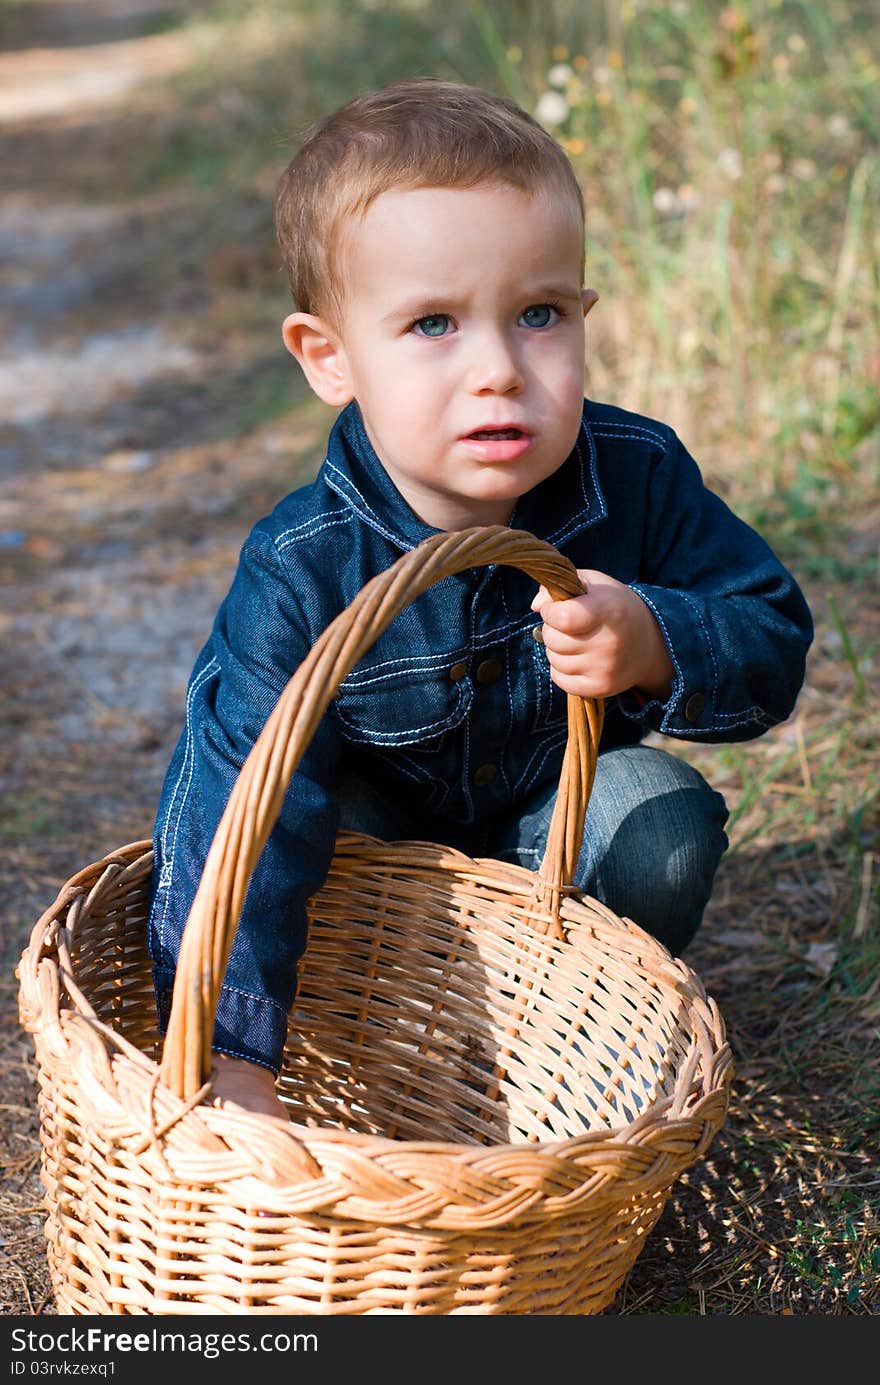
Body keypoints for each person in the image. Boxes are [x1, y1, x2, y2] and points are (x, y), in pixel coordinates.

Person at [147, 77, 813, 1125]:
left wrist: (651, 637)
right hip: (368, 863)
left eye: (538, 313)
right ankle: (358, 1045)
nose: (498, 369)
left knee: (660, 821)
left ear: (583, 313)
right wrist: (232, 1059)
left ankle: (563, 1034)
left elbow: (770, 632)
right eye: (432, 324)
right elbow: (245, 806)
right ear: (330, 357)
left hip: (547, 838)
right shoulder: (305, 566)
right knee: (283, 825)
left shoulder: (633, 475)